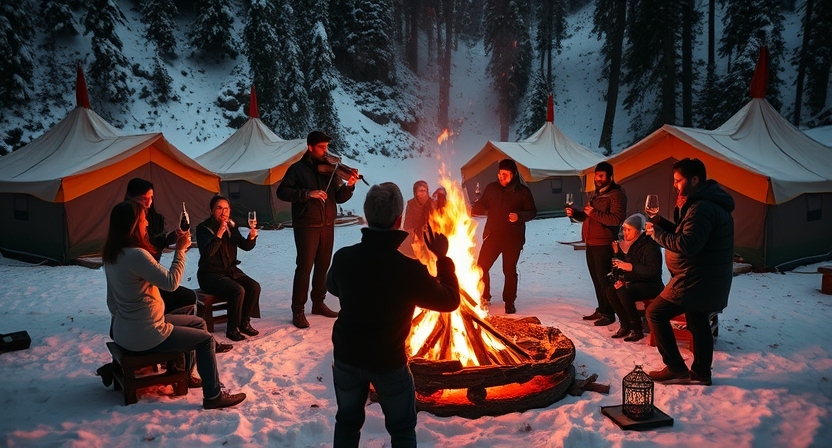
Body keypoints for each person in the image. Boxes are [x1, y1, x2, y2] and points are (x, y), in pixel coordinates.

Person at [326, 182, 460, 448]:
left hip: (347, 357)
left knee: (347, 422)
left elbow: (332, 287)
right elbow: (450, 300)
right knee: (401, 430)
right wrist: (443, 259)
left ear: (366, 216)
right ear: (399, 220)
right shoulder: (409, 270)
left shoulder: (344, 258)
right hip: (388, 362)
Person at [102, 201, 246, 409]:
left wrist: (134, 315)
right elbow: (171, 283)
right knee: (205, 341)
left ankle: (187, 375)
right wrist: (180, 251)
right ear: (133, 225)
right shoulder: (136, 255)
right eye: (143, 221)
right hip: (146, 332)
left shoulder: (112, 255)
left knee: (197, 323)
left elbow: (111, 302)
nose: (146, 226)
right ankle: (213, 396)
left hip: (125, 329)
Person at [644, 158, 734, 385]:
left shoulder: (702, 207)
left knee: (656, 312)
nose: (675, 185)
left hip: (695, 277)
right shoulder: (706, 202)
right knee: (698, 320)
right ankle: (702, 372)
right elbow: (687, 232)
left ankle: (675, 367)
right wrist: (660, 222)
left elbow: (688, 244)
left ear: (694, 180)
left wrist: (656, 234)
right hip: (708, 277)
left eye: (678, 180)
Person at [276, 130, 358, 329]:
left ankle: (318, 304)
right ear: (310, 147)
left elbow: (338, 197)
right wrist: (307, 194)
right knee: (304, 267)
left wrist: (350, 186)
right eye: (321, 147)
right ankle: (298, 309)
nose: (325, 151)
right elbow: (282, 192)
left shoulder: (330, 169)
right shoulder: (296, 169)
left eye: (327, 147)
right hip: (306, 225)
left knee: (323, 266)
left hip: (327, 225)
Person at [471, 159, 537, 314]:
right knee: (481, 267)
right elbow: (482, 205)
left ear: (513, 175)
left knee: (509, 270)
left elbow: (532, 212)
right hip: (493, 235)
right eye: (500, 174)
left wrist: (519, 216)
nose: (501, 177)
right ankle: (484, 295)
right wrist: (476, 206)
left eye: (505, 175)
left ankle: (509, 301)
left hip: (513, 238)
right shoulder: (492, 188)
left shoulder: (523, 192)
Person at [566, 161, 626, 326]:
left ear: (610, 177)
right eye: (596, 176)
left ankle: (610, 313)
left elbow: (616, 219)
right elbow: (588, 217)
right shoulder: (596, 194)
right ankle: (602, 308)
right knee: (596, 278)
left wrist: (594, 212)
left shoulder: (617, 195)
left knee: (604, 278)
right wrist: (575, 214)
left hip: (604, 242)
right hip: (591, 241)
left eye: (601, 176)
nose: (597, 179)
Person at [124, 178, 196, 315]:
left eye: (151, 198)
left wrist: (174, 236)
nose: (148, 203)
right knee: (186, 299)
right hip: (140, 286)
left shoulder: (154, 218)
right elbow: (170, 282)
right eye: (144, 199)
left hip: (150, 274)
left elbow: (157, 243)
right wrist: (180, 250)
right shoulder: (133, 251)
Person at [196, 196, 261, 342]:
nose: (223, 212)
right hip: (210, 275)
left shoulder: (232, 226)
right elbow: (207, 253)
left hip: (230, 271)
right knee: (238, 290)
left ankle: (244, 322)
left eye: (226, 208)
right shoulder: (203, 228)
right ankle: (232, 329)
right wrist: (219, 233)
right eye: (219, 208)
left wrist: (251, 237)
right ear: (212, 210)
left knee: (254, 287)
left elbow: (245, 246)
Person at [603, 213, 664, 342]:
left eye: (629, 230)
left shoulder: (650, 246)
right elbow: (624, 266)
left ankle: (636, 328)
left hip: (652, 285)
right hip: (636, 281)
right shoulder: (632, 245)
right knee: (611, 289)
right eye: (624, 229)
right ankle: (625, 324)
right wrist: (622, 278)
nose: (625, 233)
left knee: (624, 291)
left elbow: (652, 270)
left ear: (638, 231)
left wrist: (631, 268)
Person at [400, 180, 434, 257]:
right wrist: (415, 231)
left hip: (432, 238)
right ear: (415, 192)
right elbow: (407, 225)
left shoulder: (433, 203)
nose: (422, 193)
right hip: (416, 238)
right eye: (419, 190)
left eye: (424, 190)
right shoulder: (411, 205)